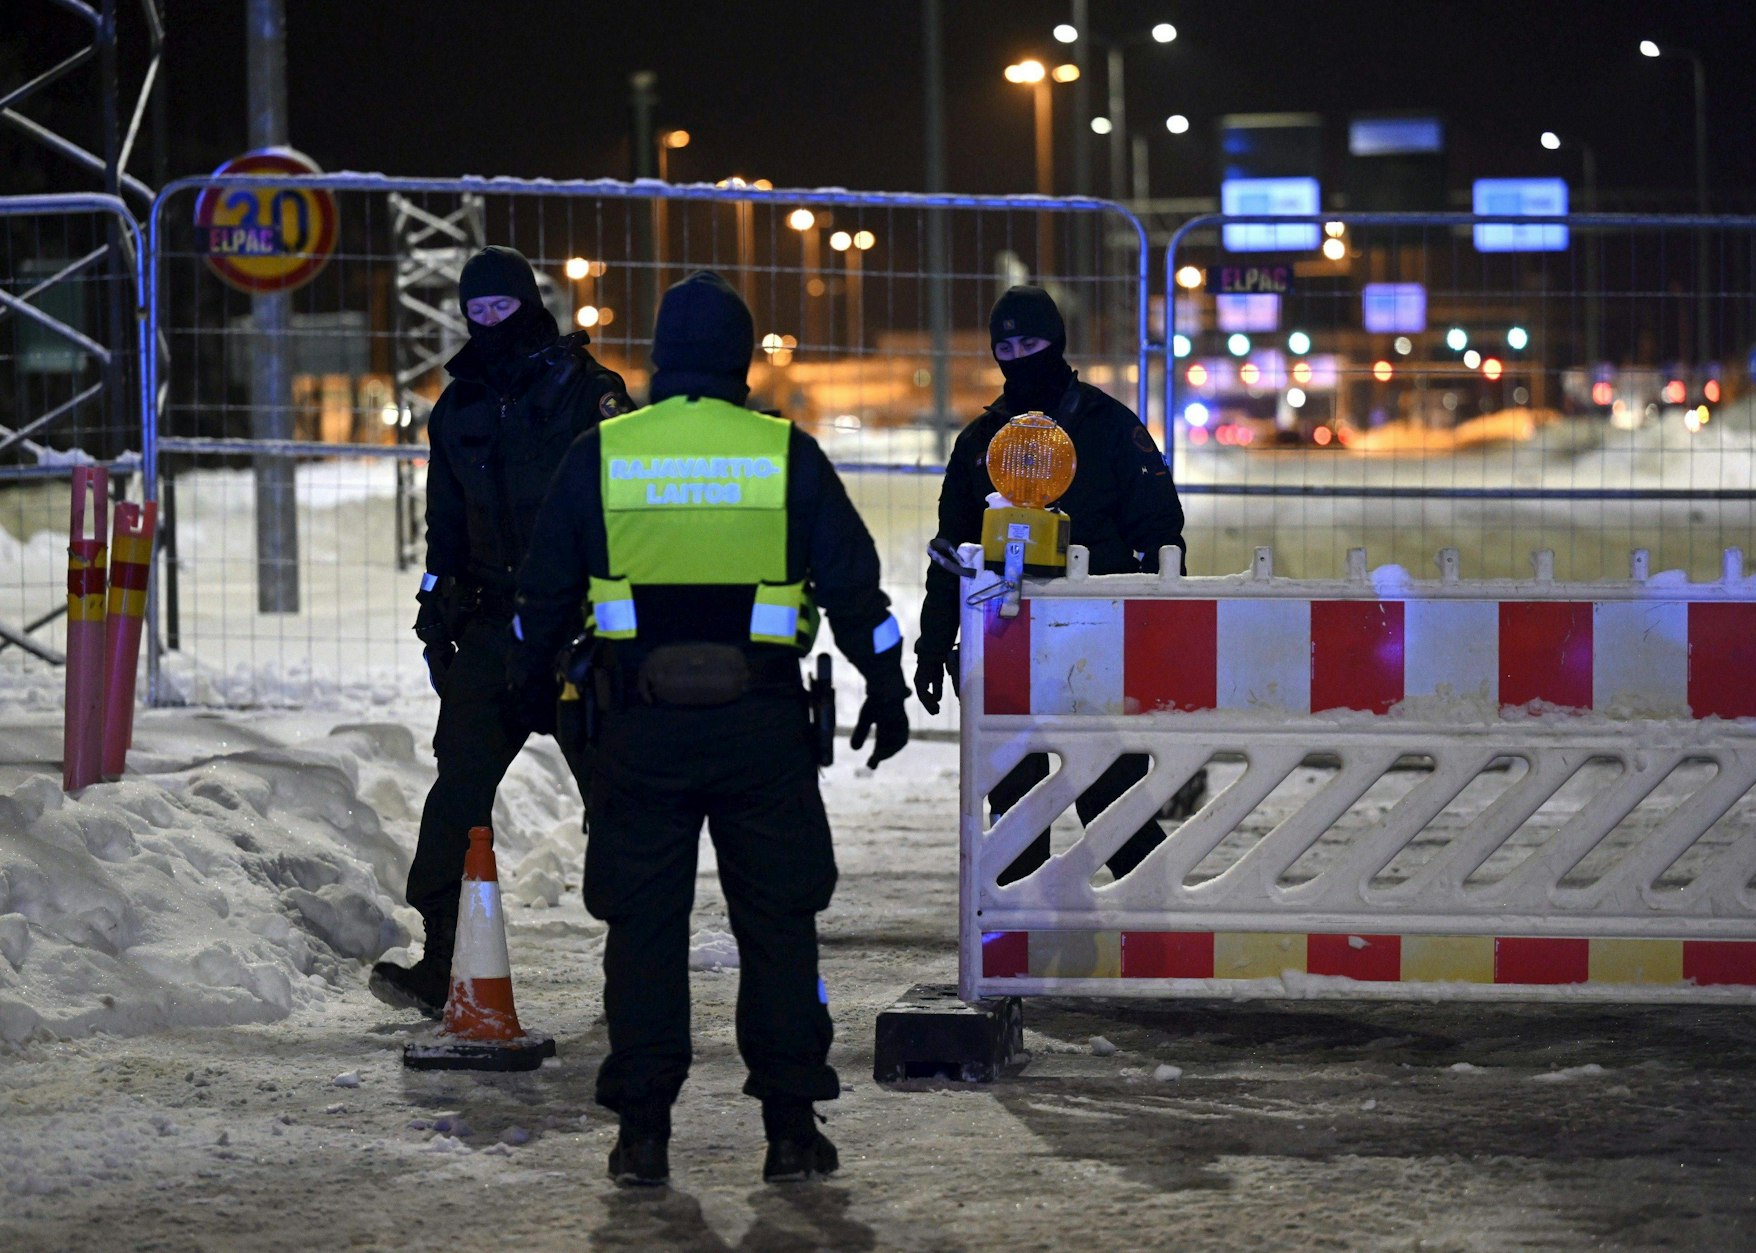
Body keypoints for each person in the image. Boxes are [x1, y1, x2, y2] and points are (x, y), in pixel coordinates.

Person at [512, 270, 910, 1186]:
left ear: (657, 357)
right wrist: (885, 682)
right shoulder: (783, 455)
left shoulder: (603, 454)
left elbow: (543, 597)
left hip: (636, 731)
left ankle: (642, 1132)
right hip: (762, 728)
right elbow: (856, 588)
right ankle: (790, 1128)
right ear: (741, 360)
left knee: (644, 927)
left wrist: (526, 681)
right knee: (778, 922)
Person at [370, 245, 632, 1016]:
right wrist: (434, 614)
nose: (489, 323)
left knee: (616, 799)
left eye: (501, 308)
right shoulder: (458, 409)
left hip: (578, 629)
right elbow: (444, 525)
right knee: (458, 793)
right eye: (476, 312)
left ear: (530, 303)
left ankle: (635, 963)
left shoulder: (592, 393)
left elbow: (625, 514)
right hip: (488, 627)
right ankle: (442, 958)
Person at [914, 284, 1186, 884]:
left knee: (1111, 791)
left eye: (1031, 342)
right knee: (1015, 801)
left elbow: (1162, 532)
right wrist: (933, 645)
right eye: (1005, 346)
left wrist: (1158, 631)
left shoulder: (1108, 426)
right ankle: (1014, 938)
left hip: (1099, 641)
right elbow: (951, 554)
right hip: (1005, 640)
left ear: (1057, 342)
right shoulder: (980, 442)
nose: (1018, 356)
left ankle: (1154, 926)